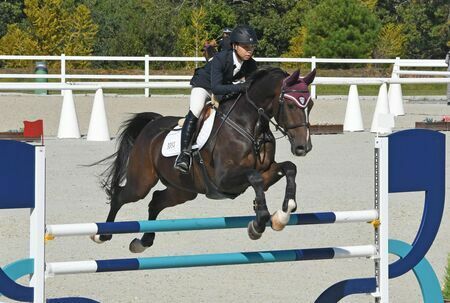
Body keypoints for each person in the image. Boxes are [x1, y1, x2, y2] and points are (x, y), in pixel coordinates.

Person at [174, 25, 258, 173]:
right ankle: (184, 155)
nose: (249, 50)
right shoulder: (221, 58)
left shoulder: (251, 64)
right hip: (205, 85)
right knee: (196, 109)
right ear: (235, 46)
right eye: (245, 47)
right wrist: (240, 87)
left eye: (252, 47)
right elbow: (216, 88)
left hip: (225, 87)